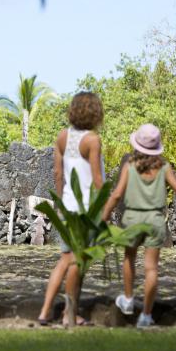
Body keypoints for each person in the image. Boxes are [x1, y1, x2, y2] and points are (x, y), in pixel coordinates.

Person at [102, 124, 176, 328]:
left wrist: (103, 216)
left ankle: (128, 300)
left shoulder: (130, 164)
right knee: (151, 269)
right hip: (155, 221)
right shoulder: (163, 166)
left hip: (132, 219)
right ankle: (146, 316)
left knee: (129, 258)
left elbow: (117, 194)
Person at [37, 91, 105, 326]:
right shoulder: (92, 140)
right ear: (95, 113)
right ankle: (68, 313)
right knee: (76, 261)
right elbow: (98, 180)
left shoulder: (62, 137)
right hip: (86, 210)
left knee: (65, 260)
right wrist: (105, 211)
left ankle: (46, 311)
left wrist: (61, 204)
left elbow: (57, 174)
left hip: (68, 206)